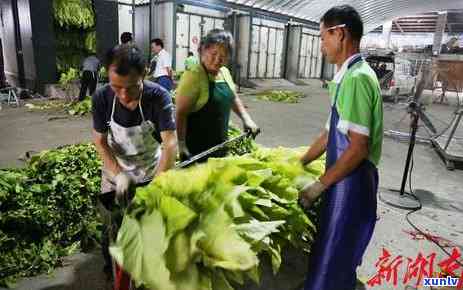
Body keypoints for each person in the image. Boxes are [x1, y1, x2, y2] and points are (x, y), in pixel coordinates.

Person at [298, 5, 383, 290]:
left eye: (323, 37)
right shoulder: (348, 76)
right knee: (332, 258)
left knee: (333, 263)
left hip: (352, 186)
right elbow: (329, 133)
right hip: (343, 182)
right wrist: (301, 161)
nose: (321, 46)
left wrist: (317, 186)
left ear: (340, 34)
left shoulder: (357, 79)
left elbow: (358, 149)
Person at [92, 44, 177, 276]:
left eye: (131, 87)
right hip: (115, 172)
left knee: (151, 224)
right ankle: (112, 269)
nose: (124, 95)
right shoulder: (101, 98)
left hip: (151, 170)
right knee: (112, 227)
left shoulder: (158, 96)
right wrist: (118, 173)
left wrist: (159, 181)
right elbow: (100, 141)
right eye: (116, 87)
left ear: (144, 75)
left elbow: (170, 142)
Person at [176, 29, 259, 161]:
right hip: (196, 153)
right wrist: (181, 145)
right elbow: (181, 113)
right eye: (213, 53)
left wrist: (246, 119)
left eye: (224, 55)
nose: (218, 60)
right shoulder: (193, 75)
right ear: (203, 50)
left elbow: (233, 98)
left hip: (221, 147)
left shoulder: (225, 72)